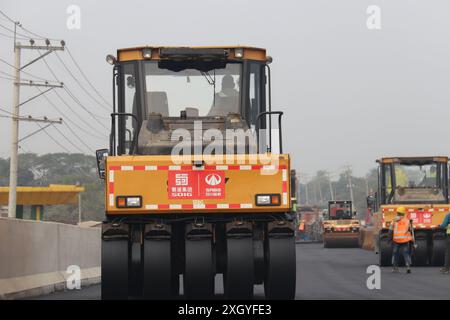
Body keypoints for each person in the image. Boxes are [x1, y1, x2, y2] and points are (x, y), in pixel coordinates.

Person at [390, 206, 413, 273]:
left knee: (395, 253)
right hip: (405, 240)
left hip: (396, 240)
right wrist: (412, 240)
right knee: (406, 253)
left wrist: (389, 239)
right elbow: (411, 230)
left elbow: (390, 231)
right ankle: (408, 266)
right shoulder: (407, 221)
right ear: (404, 213)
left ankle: (395, 268)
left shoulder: (393, 220)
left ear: (397, 212)